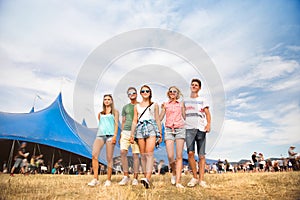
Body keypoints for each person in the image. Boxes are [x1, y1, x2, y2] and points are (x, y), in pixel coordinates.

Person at [130, 85, 162, 189]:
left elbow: (157, 119)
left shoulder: (154, 105)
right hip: (140, 128)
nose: (145, 92)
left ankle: (148, 178)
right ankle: (145, 177)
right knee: (142, 155)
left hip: (151, 127)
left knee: (149, 153)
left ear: (150, 92)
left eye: (147, 91)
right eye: (143, 91)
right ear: (140, 93)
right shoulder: (137, 106)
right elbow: (135, 120)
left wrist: (160, 133)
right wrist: (132, 134)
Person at [88, 94, 119, 187]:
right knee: (94, 155)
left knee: (109, 158)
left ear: (112, 101)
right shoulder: (100, 113)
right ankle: (95, 179)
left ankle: (108, 179)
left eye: (109, 99)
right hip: (100, 135)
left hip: (110, 136)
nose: (107, 101)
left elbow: (116, 125)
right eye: (105, 99)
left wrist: (114, 136)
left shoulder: (115, 112)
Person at [185, 78, 211, 188]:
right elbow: (181, 112)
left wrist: (208, 124)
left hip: (201, 128)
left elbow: (207, 114)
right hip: (189, 129)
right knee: (190, 153)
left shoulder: (203, 100)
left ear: (199, 88)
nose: (194, 86)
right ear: (190, 86)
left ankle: (201, 180)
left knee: (201, 156)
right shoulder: (185, 100)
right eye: (193, 84)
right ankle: (194, 177)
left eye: (196, 85)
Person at [159, 86, 185, 188]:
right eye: (171, 91)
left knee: (179, 156)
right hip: (169, 130)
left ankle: (178, 182)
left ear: (177, 94)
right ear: (168, 93)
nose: (173, 93)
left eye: (175, 91)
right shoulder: (165, 105)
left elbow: (184, 116)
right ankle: (174, 172)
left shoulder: (181, 104)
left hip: (180, 129)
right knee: (170, 156)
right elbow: (160, 117)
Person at [118, 87, 140, 186]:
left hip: (137, 131)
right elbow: (123, 121)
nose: (132, 94)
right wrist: (122, 133)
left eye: (133, 92)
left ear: (136, 94)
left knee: (135, 155)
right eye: (129, 93)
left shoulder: (140, 105)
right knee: (123, 152)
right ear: (128, 95)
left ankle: (135, 178)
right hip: (126, 131)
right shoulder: (125, 107)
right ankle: (126, 176)